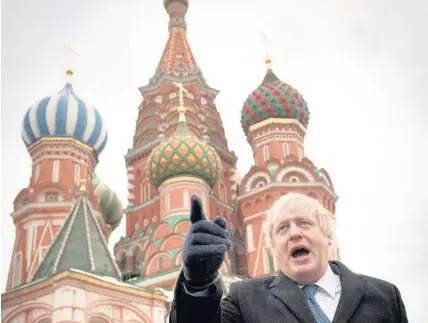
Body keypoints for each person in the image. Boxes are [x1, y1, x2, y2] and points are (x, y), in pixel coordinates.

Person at [169, 193, 408, 323]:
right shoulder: (246, 299)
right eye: (283, 229)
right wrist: (198, 282)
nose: (294, 233)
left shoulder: (384, 296)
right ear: (273, 249)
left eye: (304, 223)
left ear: (327, 236)